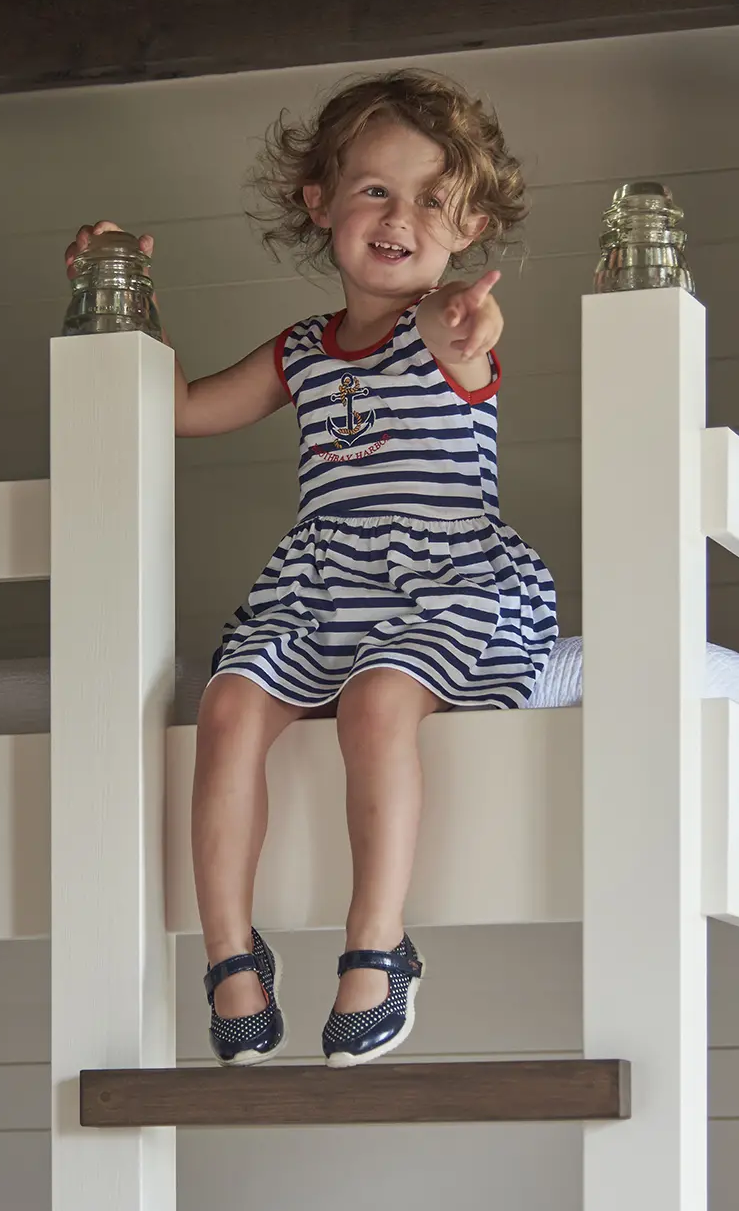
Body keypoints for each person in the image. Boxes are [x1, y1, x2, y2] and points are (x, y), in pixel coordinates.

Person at [63, 69, 556, 1068]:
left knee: (377, 703)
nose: (399, 216)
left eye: (431, 199)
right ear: (319, 203)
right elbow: (178, 409)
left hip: (444, 581)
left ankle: (375, 947)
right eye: (374, 189)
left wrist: (468, 328)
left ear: (466, 228)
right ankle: (231, 962)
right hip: (325, 584)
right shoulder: (301, 352)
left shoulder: (445, 328)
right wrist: (119, 299)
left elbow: (466, 343)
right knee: (230, 705)